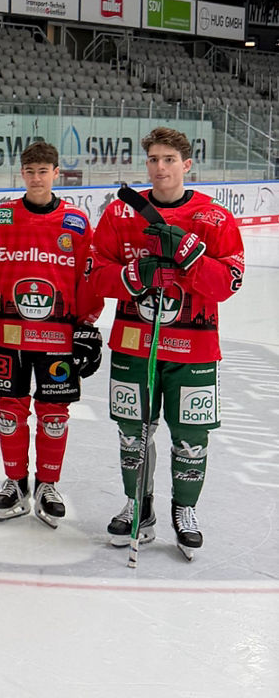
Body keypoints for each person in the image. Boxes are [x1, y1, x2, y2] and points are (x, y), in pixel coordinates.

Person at [86, 127, 245, 557]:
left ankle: (184, 509)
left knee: (191, 434)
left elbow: (229, 283)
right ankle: (138, 506)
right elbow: (94, 274)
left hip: (195, 347)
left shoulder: (214, 217)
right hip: (134, 343)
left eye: (169, 160)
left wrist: (193, 258)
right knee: (132, 432)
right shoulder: (121, 213)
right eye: (154, 159)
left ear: (187, 164)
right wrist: (134, 276)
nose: (160, 168)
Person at [0, 143, 104, 528]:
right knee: (9, 412)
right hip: (8, 333)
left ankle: (47, 484)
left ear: (56, 173)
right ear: (22, 173)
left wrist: (87, 325)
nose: (36, 178)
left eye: (43, 171)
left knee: (54, 415)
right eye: (30, 171)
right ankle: (16, 482)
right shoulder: (1, 217)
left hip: (58, 336)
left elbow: (87, 277)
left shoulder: (75, 222)